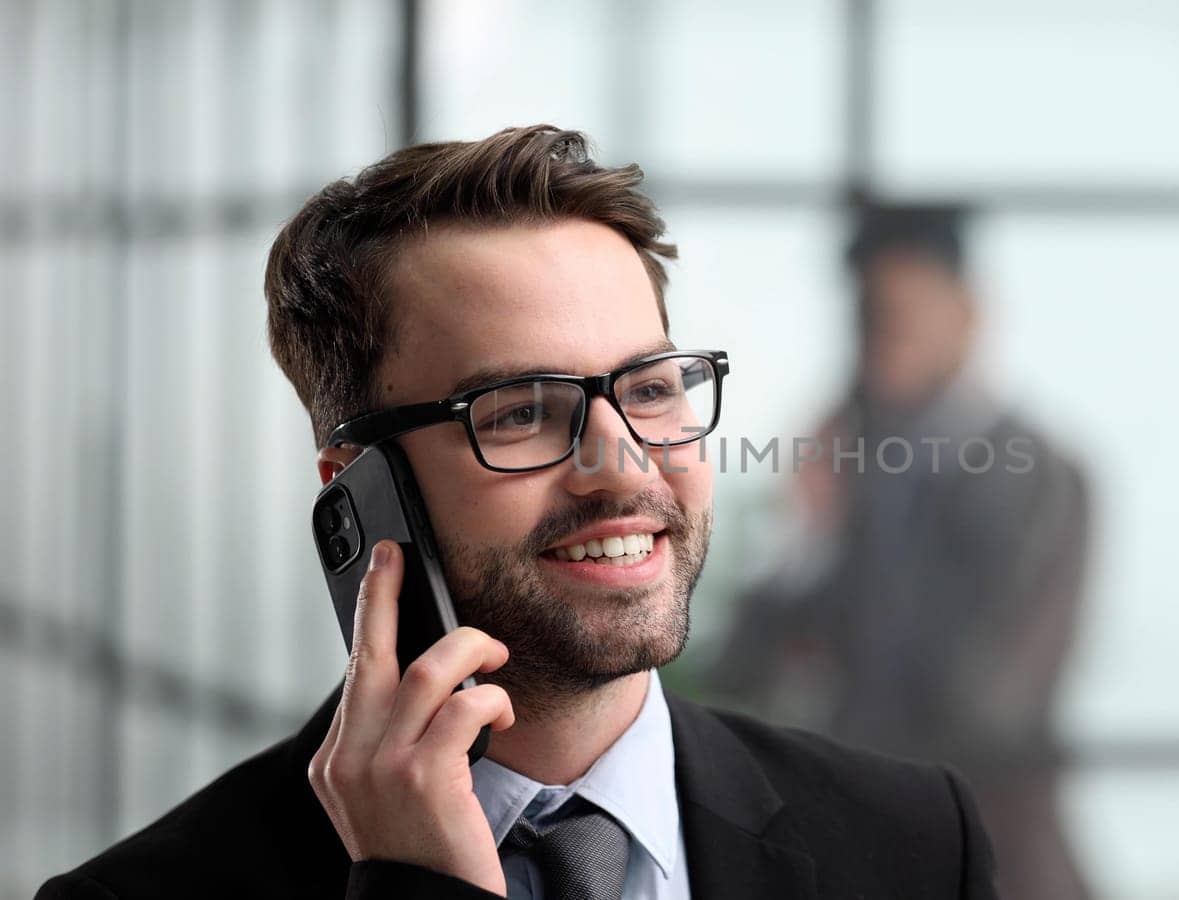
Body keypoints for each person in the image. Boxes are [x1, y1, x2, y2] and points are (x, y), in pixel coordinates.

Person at [35, 126, 998, 900]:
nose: (619, 469)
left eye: (653, 389)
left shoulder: (915, 844)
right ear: (361, 489)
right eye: (522, 412)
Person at [709, 204, 1094, 900]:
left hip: (993, 860)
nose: (878, 339)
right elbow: (738, 674)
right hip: (851, 856)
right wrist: (810, 539)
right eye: (866, 318)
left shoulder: (1043, 480)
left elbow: (989, 702)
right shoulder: (846, 471)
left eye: (900, 314)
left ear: (969, 313)